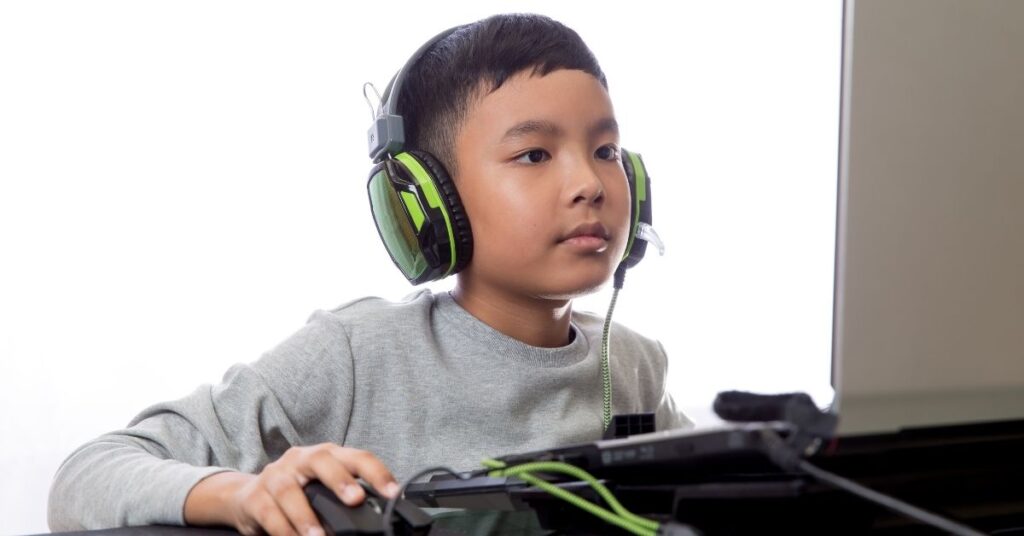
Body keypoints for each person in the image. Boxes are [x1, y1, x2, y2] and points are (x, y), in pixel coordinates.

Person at [47, 12, 691, 536]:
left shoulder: (632, 366)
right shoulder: (358, 355)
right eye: (533, 154)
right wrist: (241, 494)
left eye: (605, 151)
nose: (589, 183)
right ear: (426, 202)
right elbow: (87, 476)